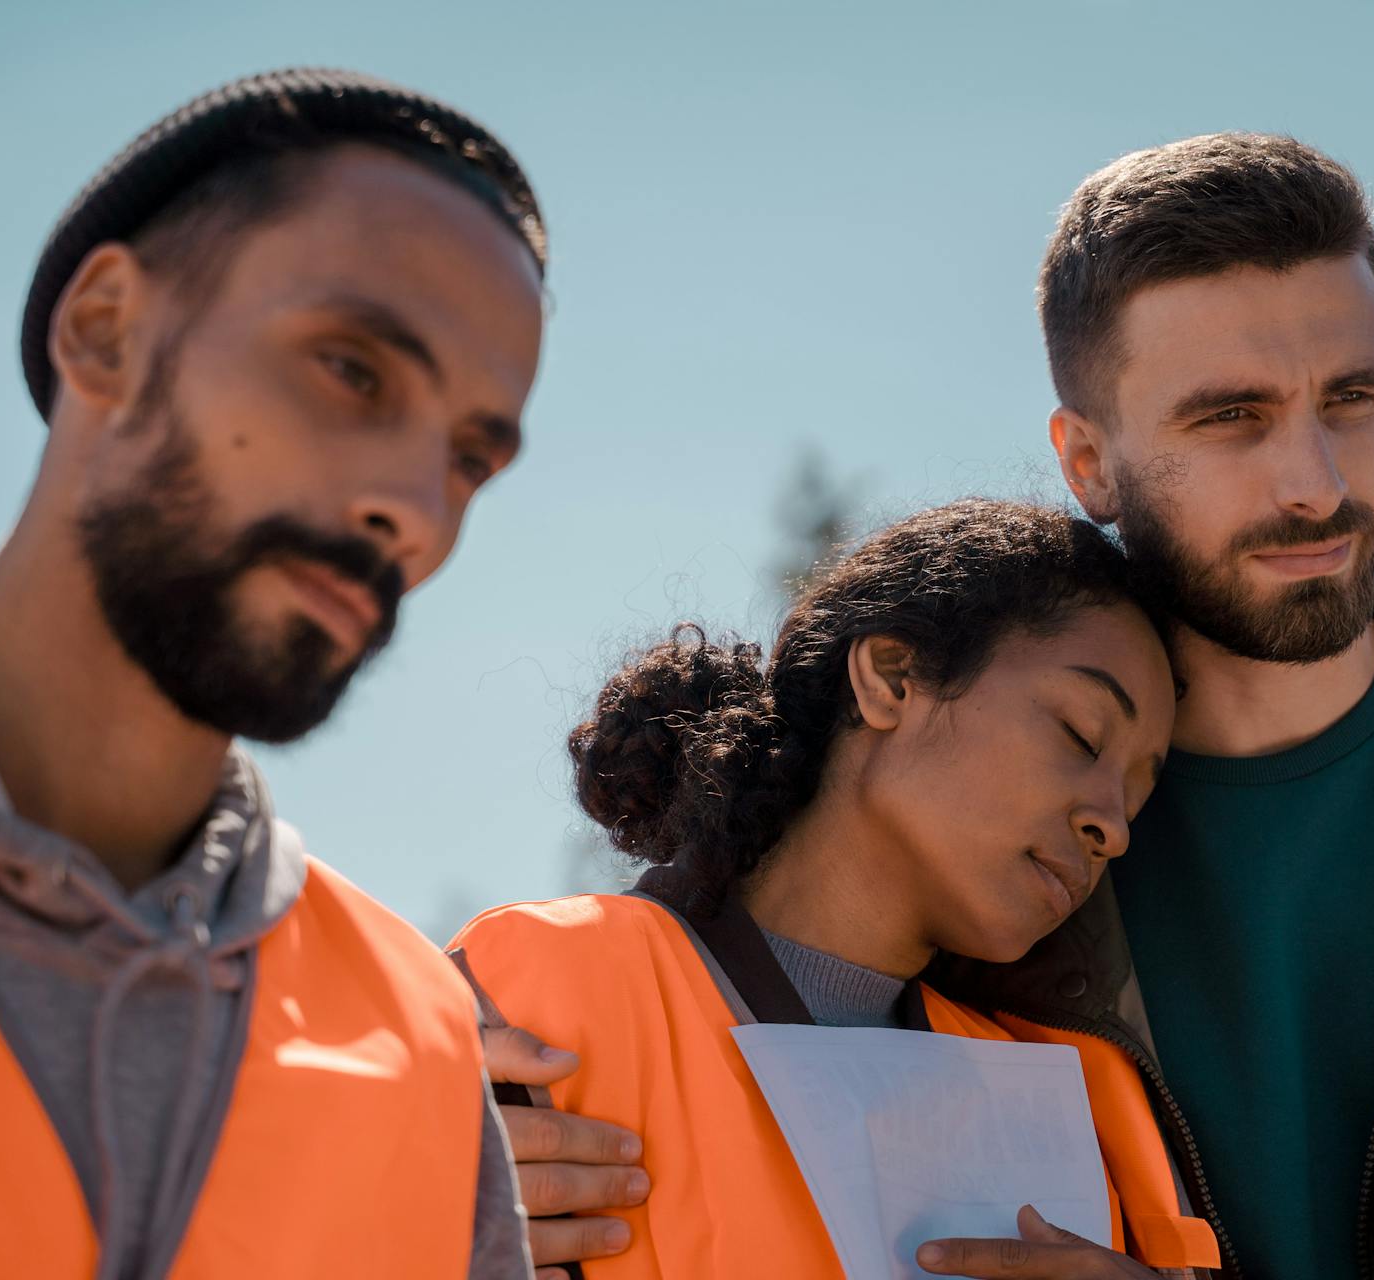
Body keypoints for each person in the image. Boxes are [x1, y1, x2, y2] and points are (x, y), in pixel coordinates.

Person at [492, 135, 1374, 1280]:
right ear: (1087, 460)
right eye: (1231, 418)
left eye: (1354, 397)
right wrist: (415, 1142)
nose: (1313, 481)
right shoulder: (962, 874)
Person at [0, 69, 548, 1279]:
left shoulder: (423, 1031)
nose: (410, 508)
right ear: (106, 332)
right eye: (353, 370)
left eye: (468, 457)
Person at [452, 499, 1222, 1278]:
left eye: (1136, 795)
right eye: (1081, 735)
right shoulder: (546, 985)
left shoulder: (1084, 1105)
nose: (1113, 827)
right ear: (891, 677)